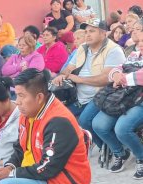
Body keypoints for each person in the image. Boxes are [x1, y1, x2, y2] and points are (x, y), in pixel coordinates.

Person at [52, 18, 126, 148]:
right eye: (86, 31)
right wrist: (61, 76)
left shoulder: (114, 50)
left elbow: (107, 79)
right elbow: (68, 68)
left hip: (103, 94)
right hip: (79, 96)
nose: (87, 35)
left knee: (84, 121)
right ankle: (102, 145)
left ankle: (116, 149)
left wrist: (79, 79)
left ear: (103, 33)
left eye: (92, 31)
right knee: (63, 116)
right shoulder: (82, 48)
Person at [92, 30, 143, 179]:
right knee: (98, 125)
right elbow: (118, 67)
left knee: (122, 128)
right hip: (122, 97)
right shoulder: (134, 55)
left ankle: (140, 156)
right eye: (138, 42)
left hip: (139, 100)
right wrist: (115, 75)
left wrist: (123, 79)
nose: (140, 45)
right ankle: (120, 152)